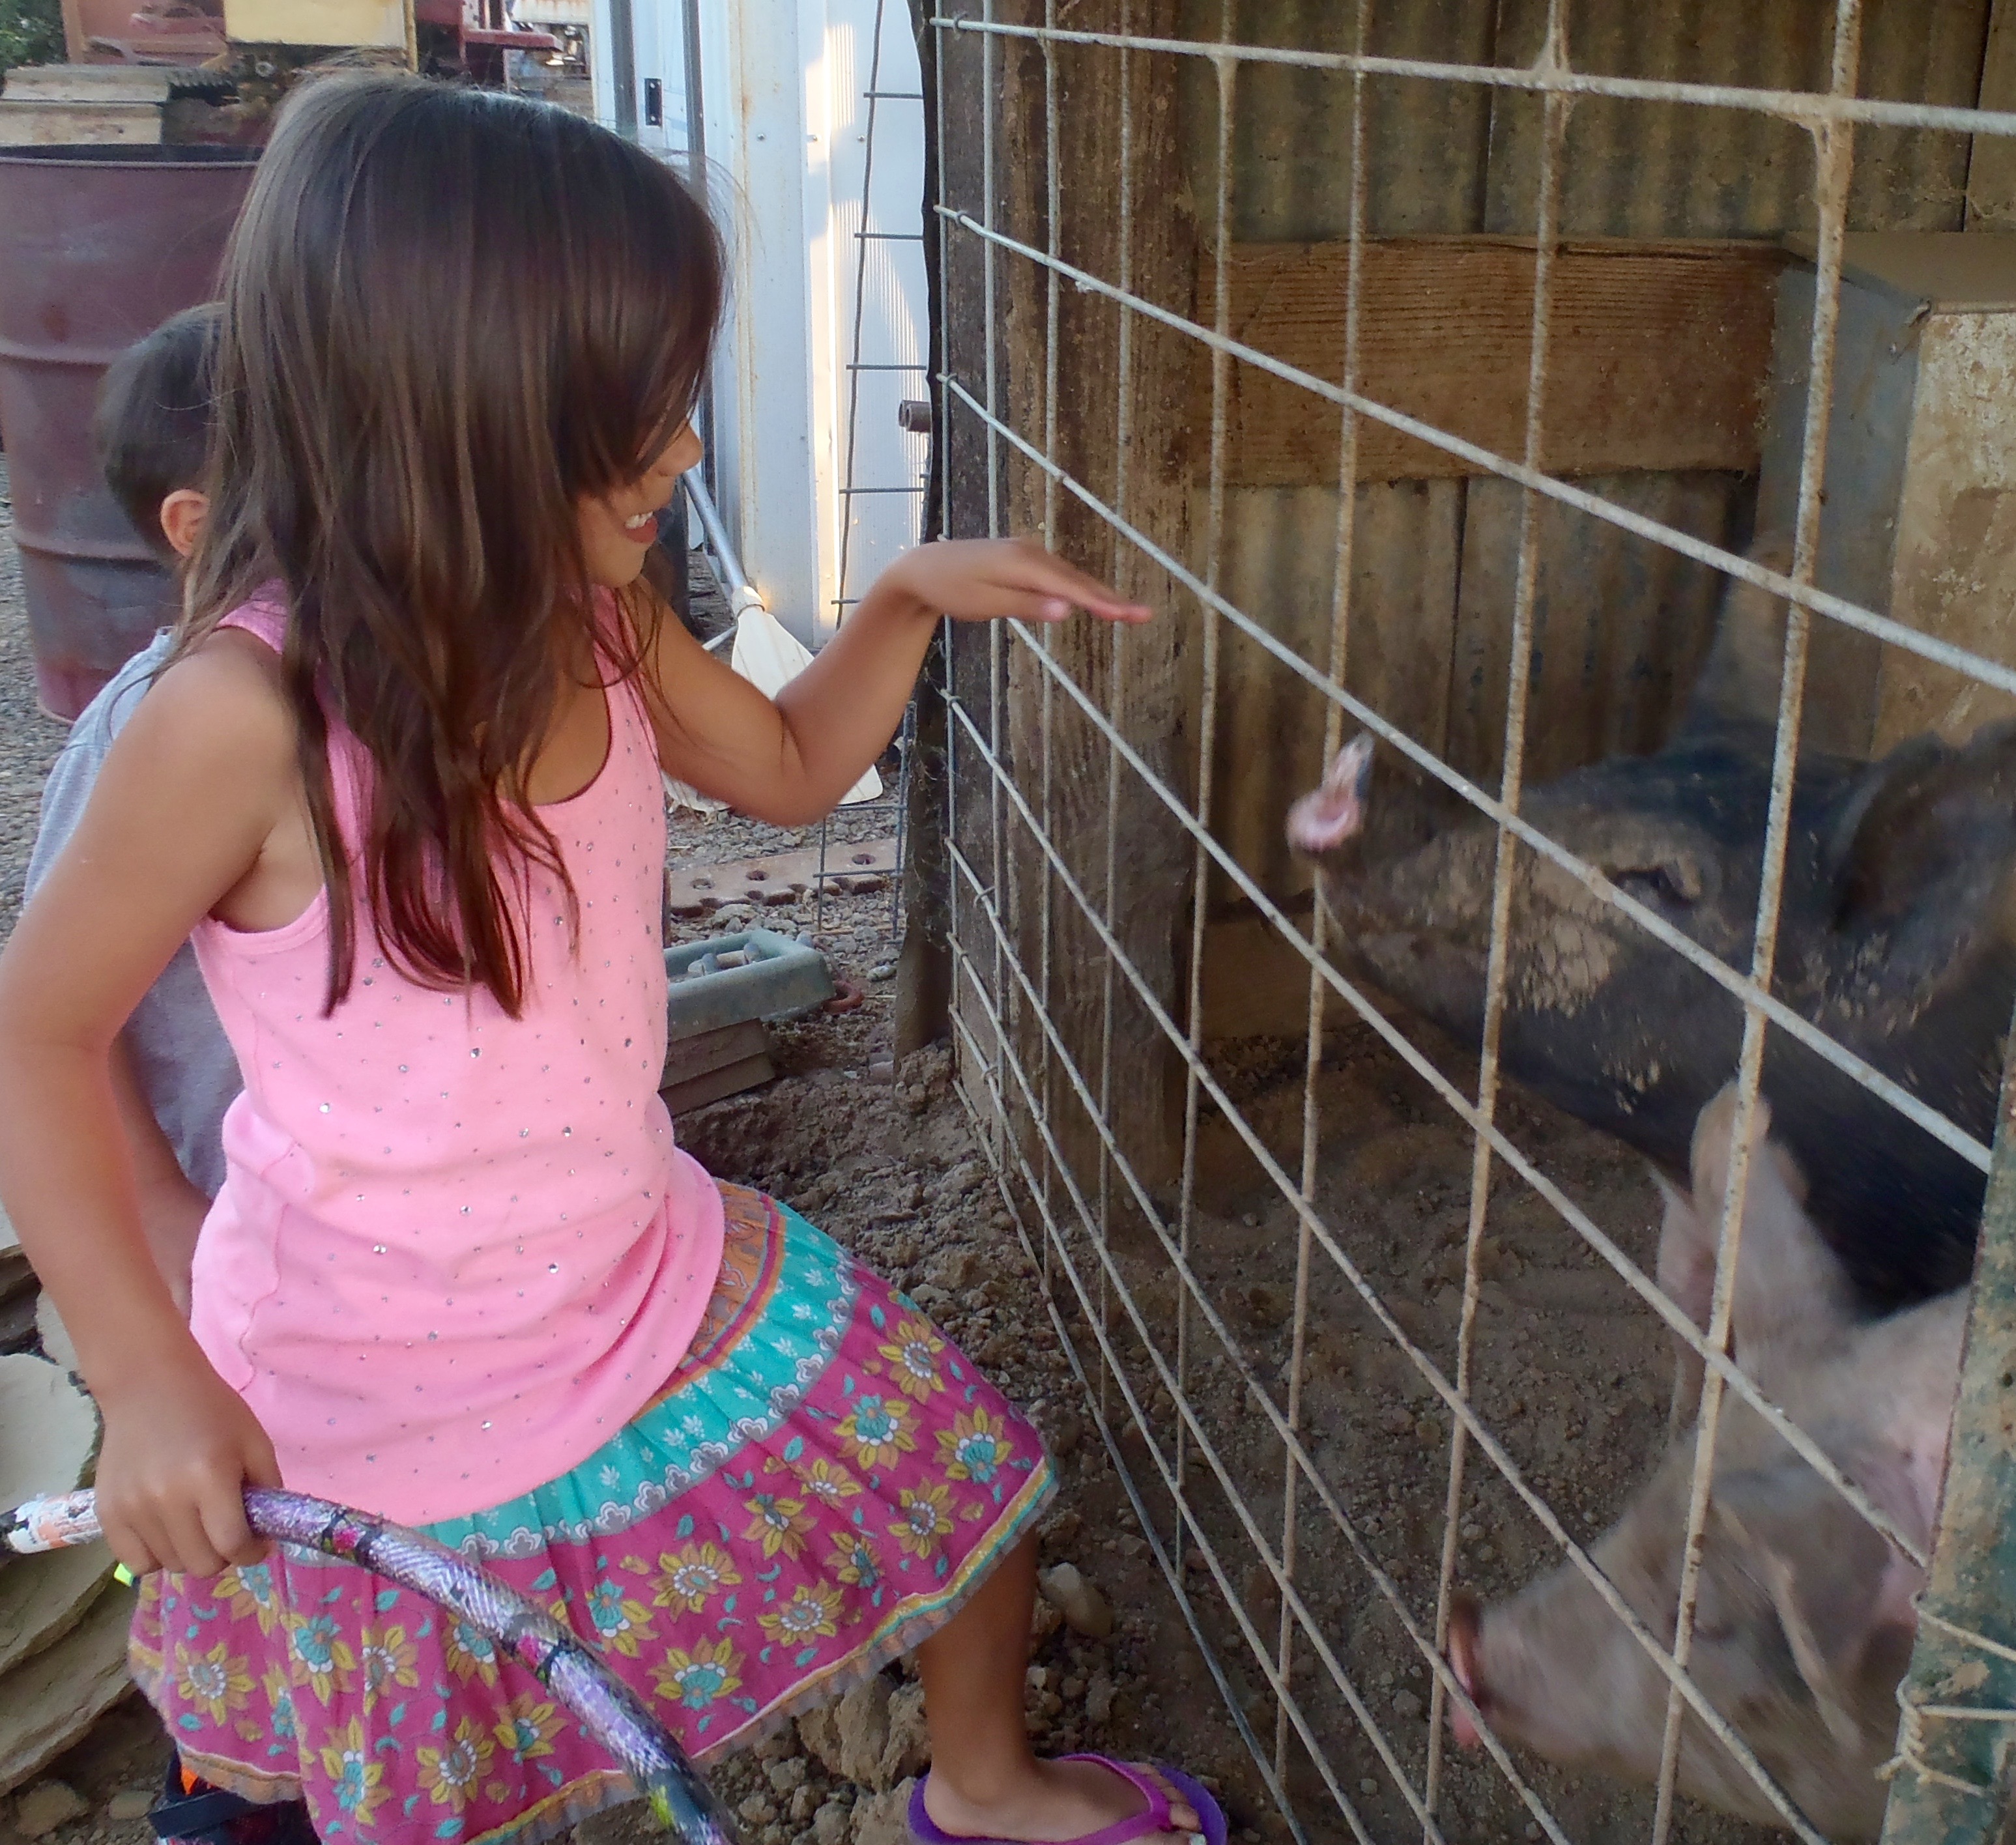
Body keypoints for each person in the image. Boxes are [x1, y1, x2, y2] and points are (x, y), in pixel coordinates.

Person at [0, 71, 1225, 1845]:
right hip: (358, 1379)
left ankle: (988, 1785)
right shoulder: (238, 717)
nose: (691, 456)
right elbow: (37, 1036)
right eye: (641, 418)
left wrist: (903, 599)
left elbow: (790, 768)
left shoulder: (595, 620)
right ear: (467, 413)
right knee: (427, 1773)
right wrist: (140, 1373)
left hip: (638, 1261)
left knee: (961, 1483)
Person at [23, 304, 242, 1315]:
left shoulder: (362, 688)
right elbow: (62, 1016)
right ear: (196, 528)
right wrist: (159, 1210)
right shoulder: (144, 729)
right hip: (230, 1217)